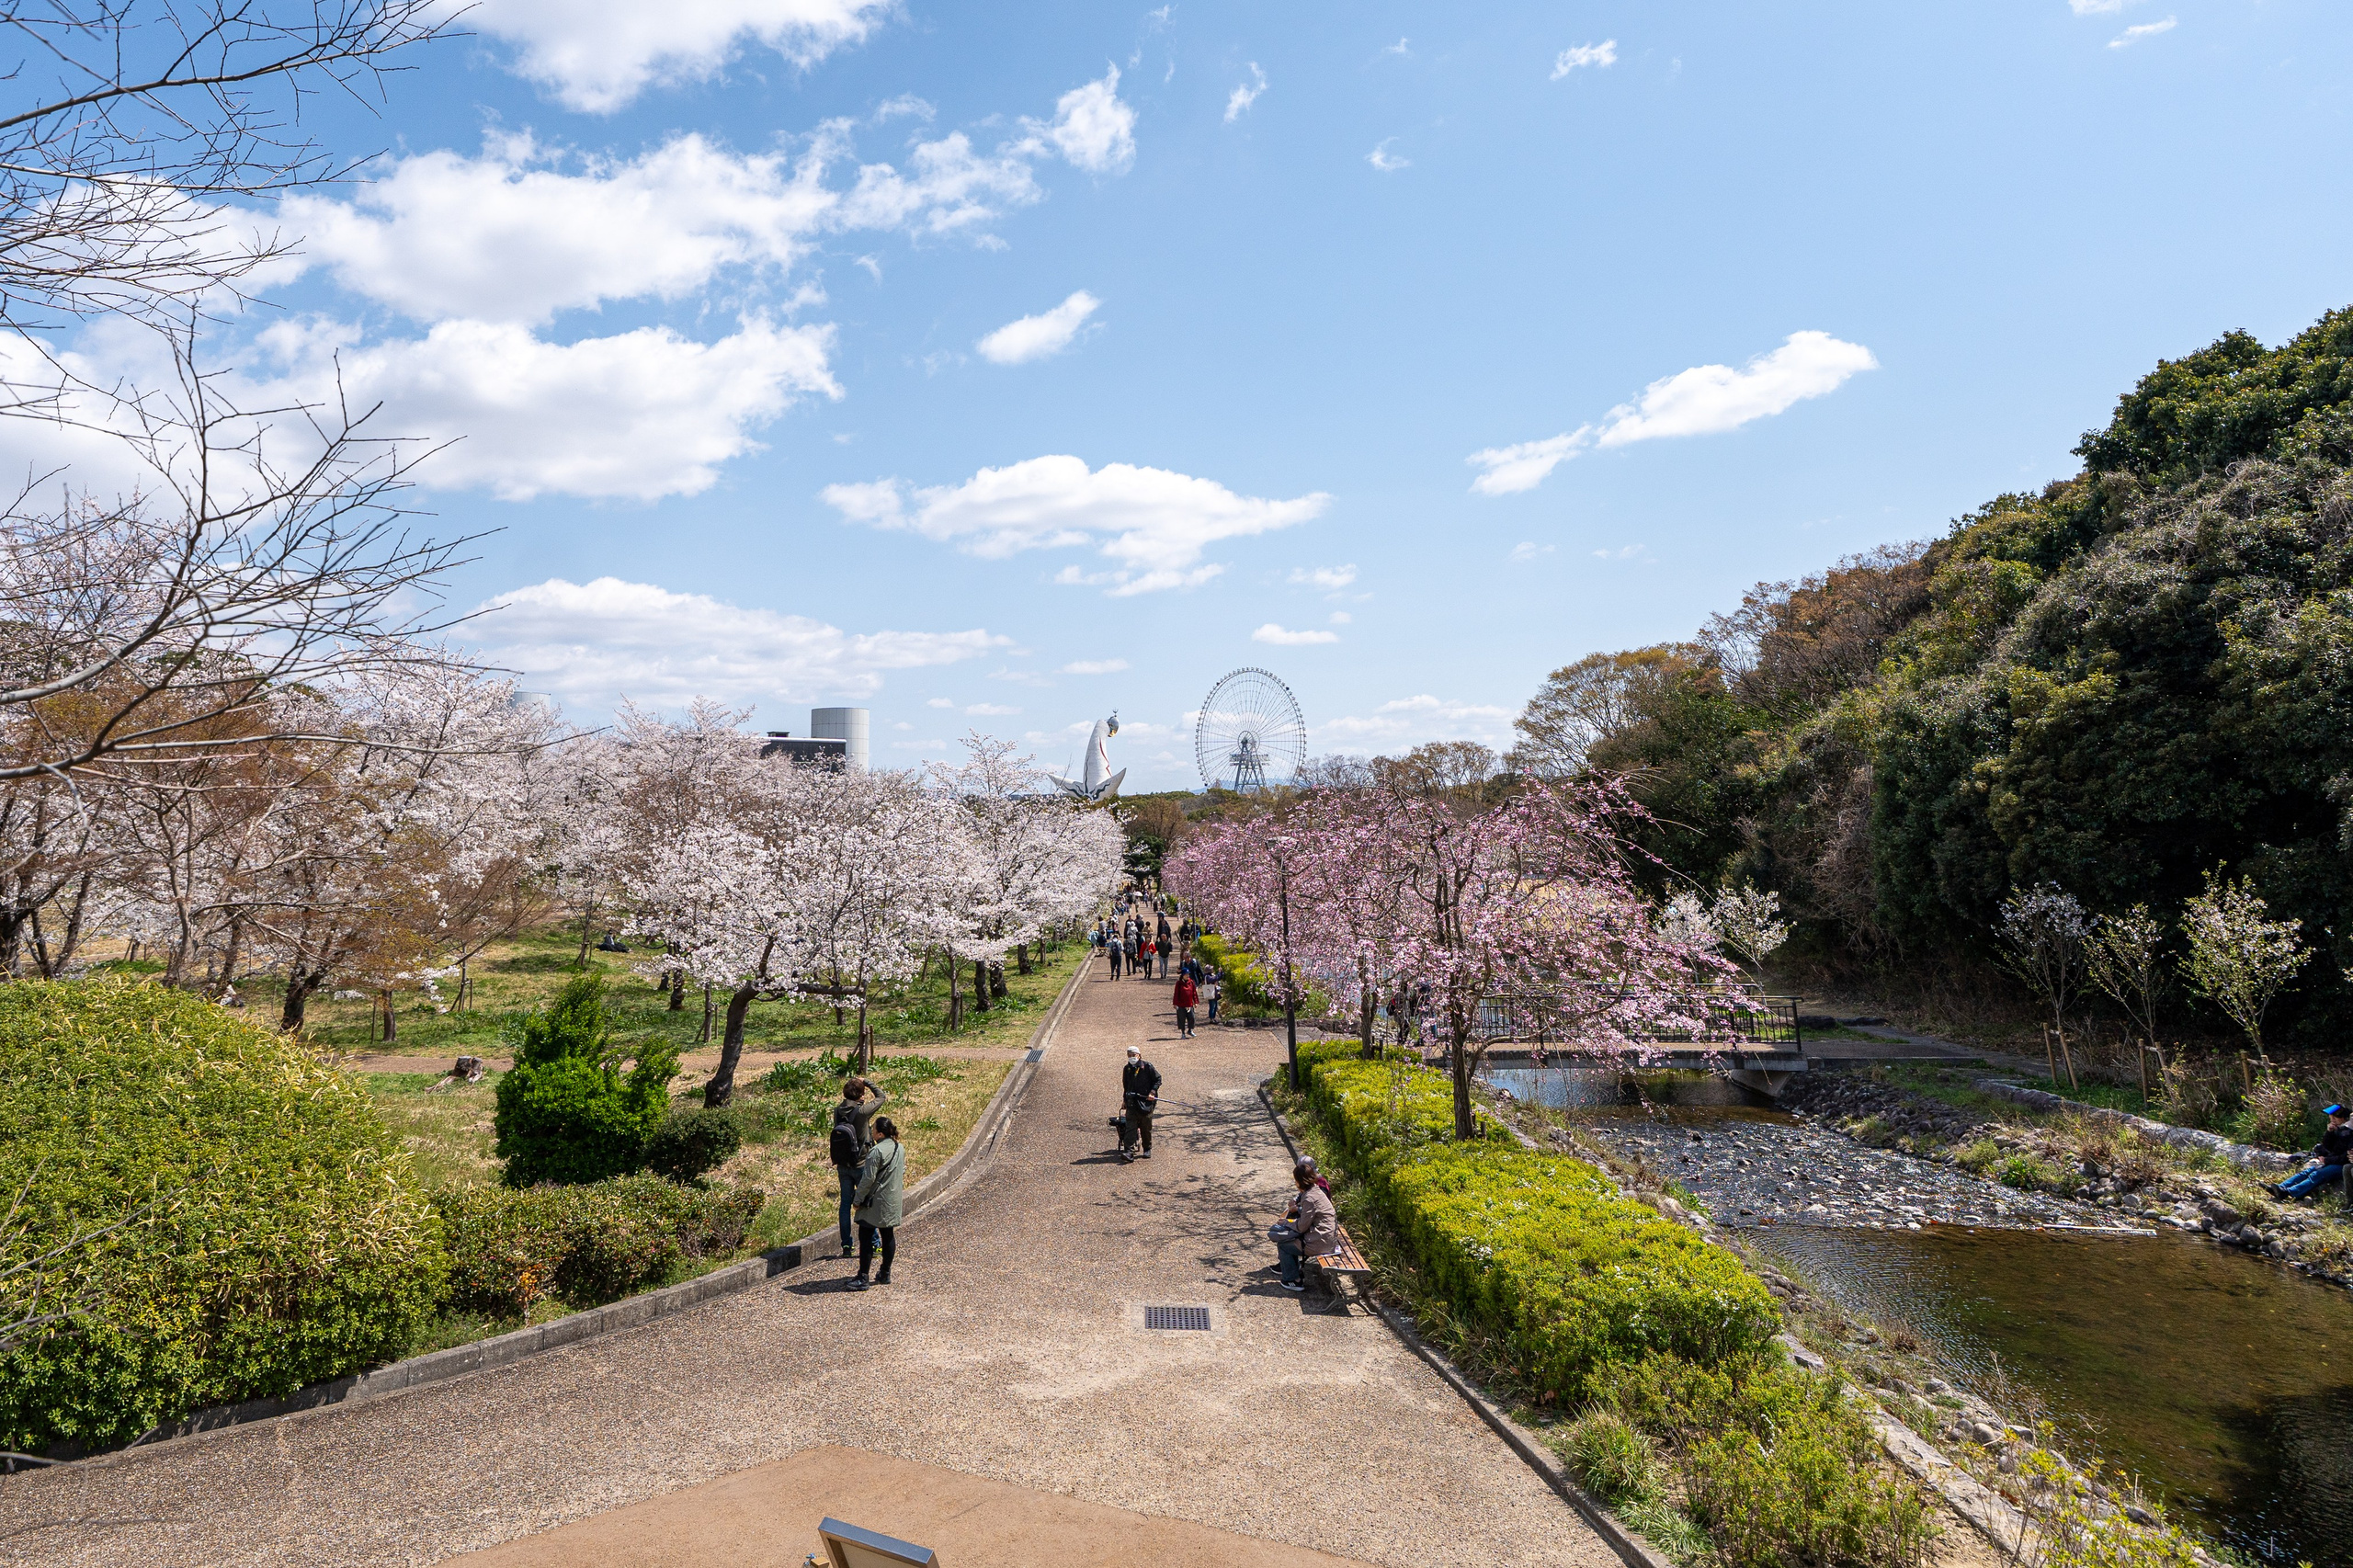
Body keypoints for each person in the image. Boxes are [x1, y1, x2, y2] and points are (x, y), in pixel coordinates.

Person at [830, 1075, 889, 1258]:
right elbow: (881, 1096)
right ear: (861, 1096)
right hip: (861, 1164)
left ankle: (847, 1246)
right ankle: (875, 1244)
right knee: (866, 1203)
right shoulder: (863, 1112)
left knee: (844, 1205)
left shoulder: (838, 1111)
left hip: (843, 1164)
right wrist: (867, 1082)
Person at [847, 1115, 904, 1290]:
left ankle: (863, 1277)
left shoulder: (876, 1152)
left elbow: (867, 1179)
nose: (871, 1131)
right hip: (892, 1200)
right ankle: (885, 1273)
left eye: (873, 1129)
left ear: (880, 1134)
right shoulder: (899, 1147)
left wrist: (857, 1200)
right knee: (888, 1235)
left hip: (874, 1202)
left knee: (865, 1237)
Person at [1268, 1156, 1339, 1291]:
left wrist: (1286, 1223)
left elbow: (1302, 1226)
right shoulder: (1315, 1190)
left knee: (1284, 1244)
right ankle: (1294, 1271)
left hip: (1321, 1242)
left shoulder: (1309, 1198)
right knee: (1289, 1237)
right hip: (1326, 1236)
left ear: (1300, 1182)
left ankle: (1293, 1280)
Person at [2272, 1104, 2353, 1200]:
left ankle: (2289, 1193)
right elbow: (2328, 1147)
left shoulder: (2349, 1132)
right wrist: (2329, 1132)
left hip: (2342, 1165)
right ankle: (2281, 1187)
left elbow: (2346, 1157)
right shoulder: (2339, 1130)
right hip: (2334, 1161)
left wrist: (2328, 1160)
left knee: (2317, 1175)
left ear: (2343, 1118)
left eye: (2335, 1117)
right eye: (2331, 1117)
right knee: (2307, 1172)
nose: (2333, 1120)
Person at [1121, 1044, 1161, 1160]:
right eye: (1129, 1055)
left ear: (1139, 1055)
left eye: (1133, 1055)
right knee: (1130, 1127)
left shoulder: (1147, 1067)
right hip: (1132, 1102)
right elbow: (1126, 1086)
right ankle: (1129, 1151)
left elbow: (1158, 1079)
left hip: (1146, 1102)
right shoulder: (1127, 1069)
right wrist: (1124, 1100)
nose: (1131, 1057)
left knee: (1146, 1127)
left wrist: (1152, 1092)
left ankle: (1147, 1148)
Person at [1173, 971, 1199, 1039]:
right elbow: (1176, 993)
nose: (1187, 976)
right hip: (1181, 1005)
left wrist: (1195, 1002)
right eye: (1186, 974)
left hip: (1189, 1004)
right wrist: (1175, 1003)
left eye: (1188, 974)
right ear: (1183, 975)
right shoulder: (1179, 983)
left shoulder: (1191, 982)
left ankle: (1190, 1030)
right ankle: (1183, 1033)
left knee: (1192, 1017)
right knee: (1182, 1019)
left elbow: (1194, 993)